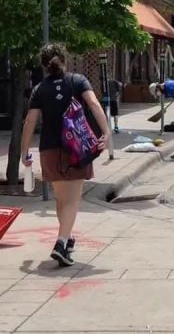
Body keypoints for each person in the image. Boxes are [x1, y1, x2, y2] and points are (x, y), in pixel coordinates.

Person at [21, 44, 110, 267]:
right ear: (64, 60)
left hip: (49, 149)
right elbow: (94, 104)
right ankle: (61, 243)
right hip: (75, 148)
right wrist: (107, 132)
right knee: (72, 200)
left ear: (44, 65)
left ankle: (67, 240)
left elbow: (30, 121)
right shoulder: (77, 81)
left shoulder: (39, 89)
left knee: (61, 200)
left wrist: (24, 152)